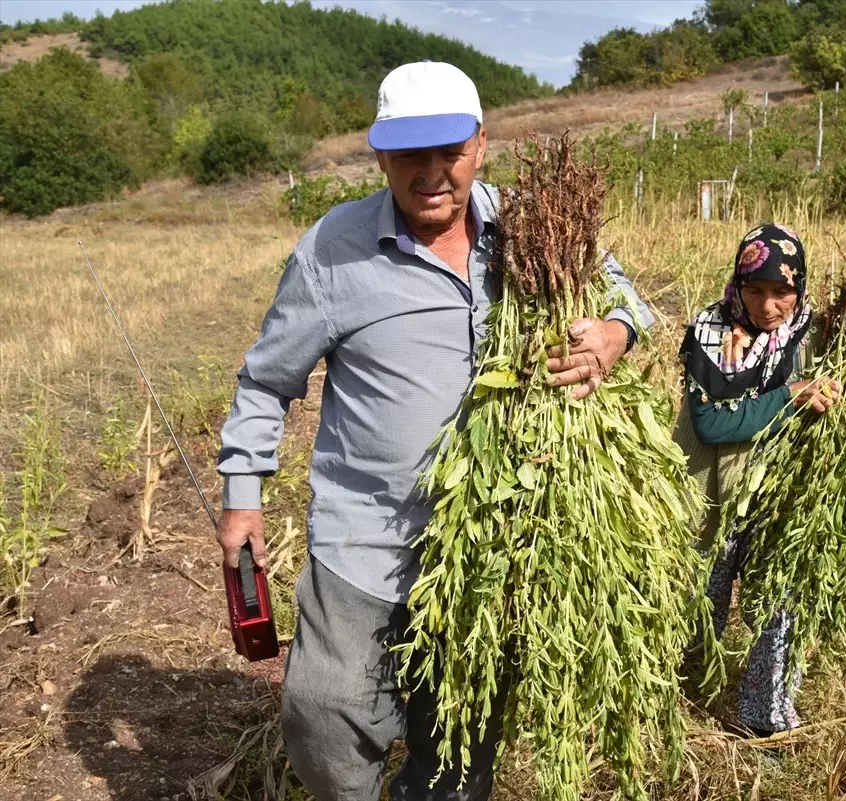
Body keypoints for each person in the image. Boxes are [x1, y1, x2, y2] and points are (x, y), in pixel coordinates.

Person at [215, 61, 653, 801]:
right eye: (409, 155)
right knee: (321, 712)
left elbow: (629, 299)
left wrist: (614, 332)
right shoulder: (332, 250)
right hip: (368, 538)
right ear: (380, 155)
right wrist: (241, 494)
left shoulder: (535, 224)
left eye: (448, 151)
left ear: (481, 144)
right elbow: (266, 380)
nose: (430, 174)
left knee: (458, 747)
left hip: (495, 543)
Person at [673, 223, 841, 737]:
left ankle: (764, 717)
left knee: (780, 604)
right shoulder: (711, 331)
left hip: (781, 495)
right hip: (715, 494)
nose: (768, 305)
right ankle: (680, 697)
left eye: (782, 291)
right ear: (737, 284)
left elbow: (837, 394)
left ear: (800, 288)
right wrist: (790, 397)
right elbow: (714, 422)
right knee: (702, 598)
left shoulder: (813, 333)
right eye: (755, 289)